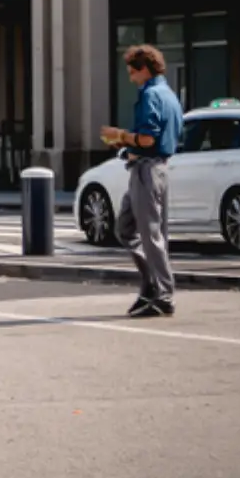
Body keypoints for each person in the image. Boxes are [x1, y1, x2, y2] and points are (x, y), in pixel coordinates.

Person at [102, 44, 183, 318]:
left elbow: (148, 138)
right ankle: (151, 286)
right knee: (126, 228)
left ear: (144, 69)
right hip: (154, 167)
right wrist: (126, 147)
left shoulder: (150, 94)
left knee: (150, 235)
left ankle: (163, 294)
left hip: (147, 170)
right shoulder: (169, 94)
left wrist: (120, 135)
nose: (130, 78)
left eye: (132, 72)